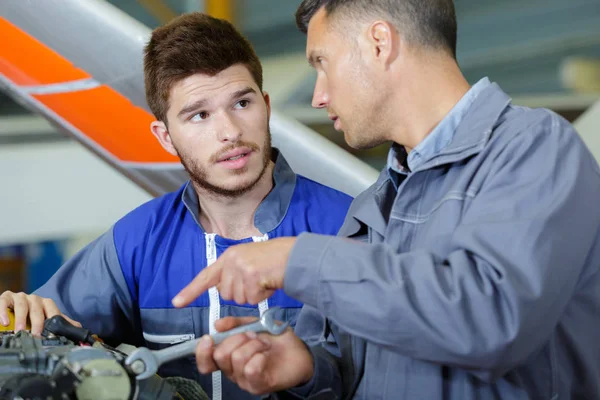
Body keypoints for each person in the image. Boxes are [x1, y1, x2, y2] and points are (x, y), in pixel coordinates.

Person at [173, 1, 600, 399]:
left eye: (322, 63)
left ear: (379, 44)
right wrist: (307, 368)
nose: (319, 95)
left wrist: (296, 259)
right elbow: (352, 359)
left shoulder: (532, 150)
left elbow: (491, 319)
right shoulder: (373, 206)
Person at [0, 12, 352, 400]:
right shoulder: (136, 242)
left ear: (266, 106)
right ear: (166, 137)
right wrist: (19, 313)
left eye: (242, 103)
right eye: (199, 114)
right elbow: (46, 326)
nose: (230, 132)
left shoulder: (349, 227)